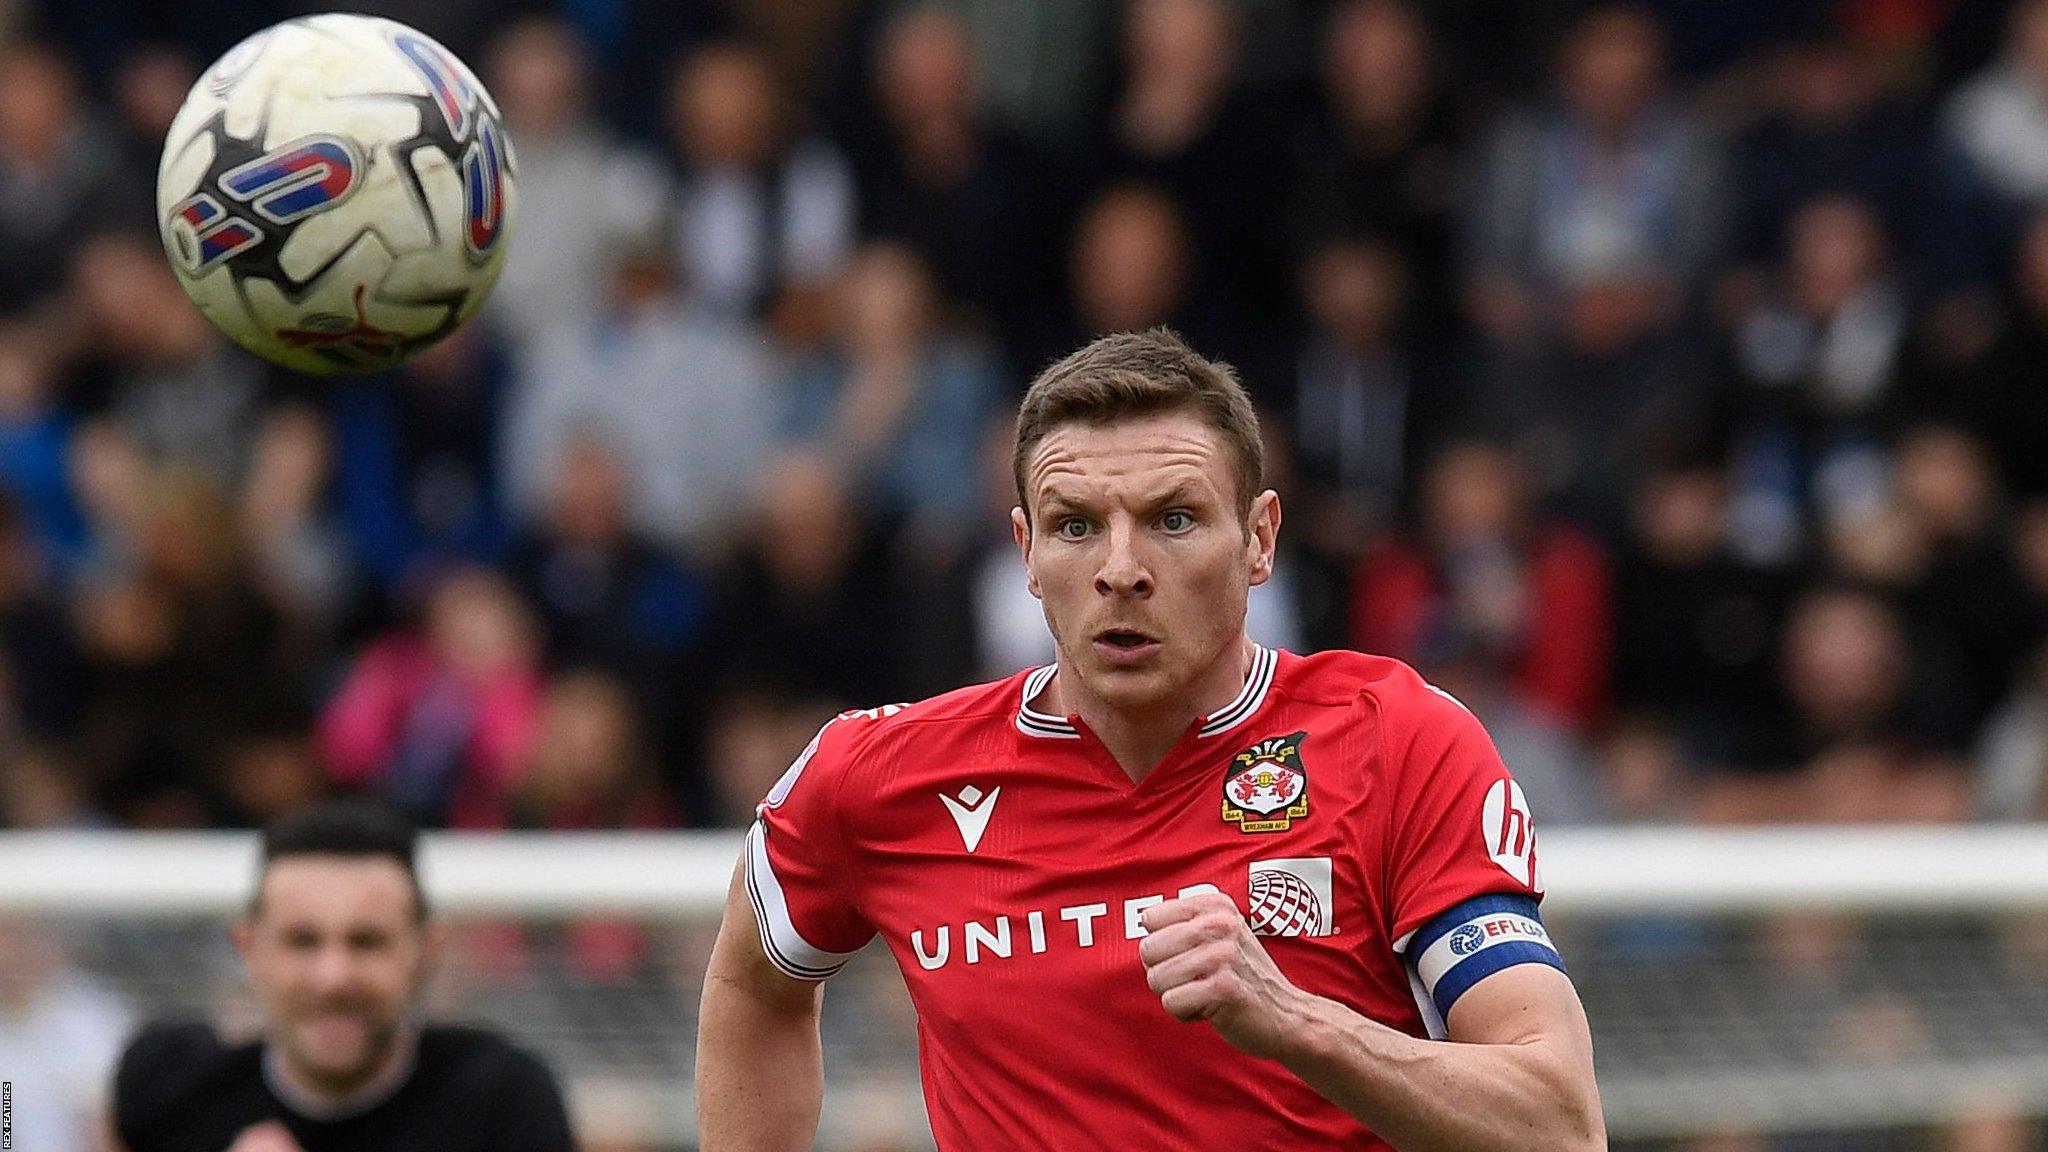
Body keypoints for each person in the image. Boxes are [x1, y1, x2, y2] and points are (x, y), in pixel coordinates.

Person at [696, 328, 1604, 1149]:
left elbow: (1560, 1127)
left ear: (1259, 539)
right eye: (1075, 526)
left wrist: (1297, 1021)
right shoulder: (877, 775)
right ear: (1025, 552)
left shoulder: (1398, 743)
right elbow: (751, 986)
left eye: (1173, 519)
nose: (1120, 571)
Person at [110, 798, 576, 1152]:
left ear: (426, 950)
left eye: (367, 942)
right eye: (302, 941)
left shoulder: (501, 1103)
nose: (333, 979)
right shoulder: (170, 1088)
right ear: (249, 949)